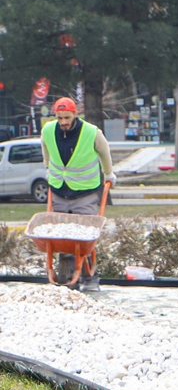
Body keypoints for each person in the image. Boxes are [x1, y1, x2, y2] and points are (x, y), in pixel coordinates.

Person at [40, 97, 115, 290]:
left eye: (67, 117)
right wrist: (47, 167)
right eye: (59, 117)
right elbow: (45, 147)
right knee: (62, 238)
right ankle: (65, 279)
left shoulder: (91, 132)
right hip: (59, 190)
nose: (63, 122)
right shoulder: (48, 130)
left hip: (85, 192)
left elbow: (104, 151)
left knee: (85, 238)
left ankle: (90, 278)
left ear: (75, 114)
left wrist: (108, 173)